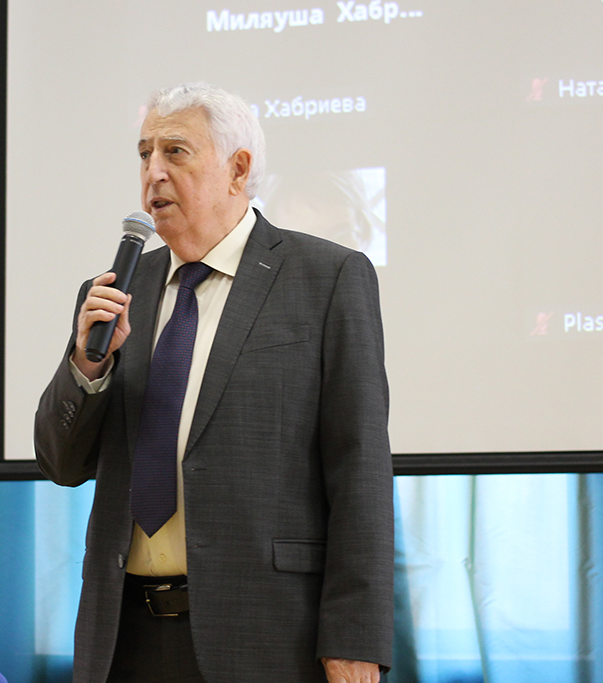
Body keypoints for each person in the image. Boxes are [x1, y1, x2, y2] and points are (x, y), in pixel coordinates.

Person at [35, 83, 393, 683]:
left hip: (270, 635)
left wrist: (355, 640)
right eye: (144, 154)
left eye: (175, 152)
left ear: (238, 169)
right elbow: (61, 463)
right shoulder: (117, 293)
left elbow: (359, 469)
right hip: (124, 639)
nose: (153, 172)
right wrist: (87, 364)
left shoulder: (326, 278)